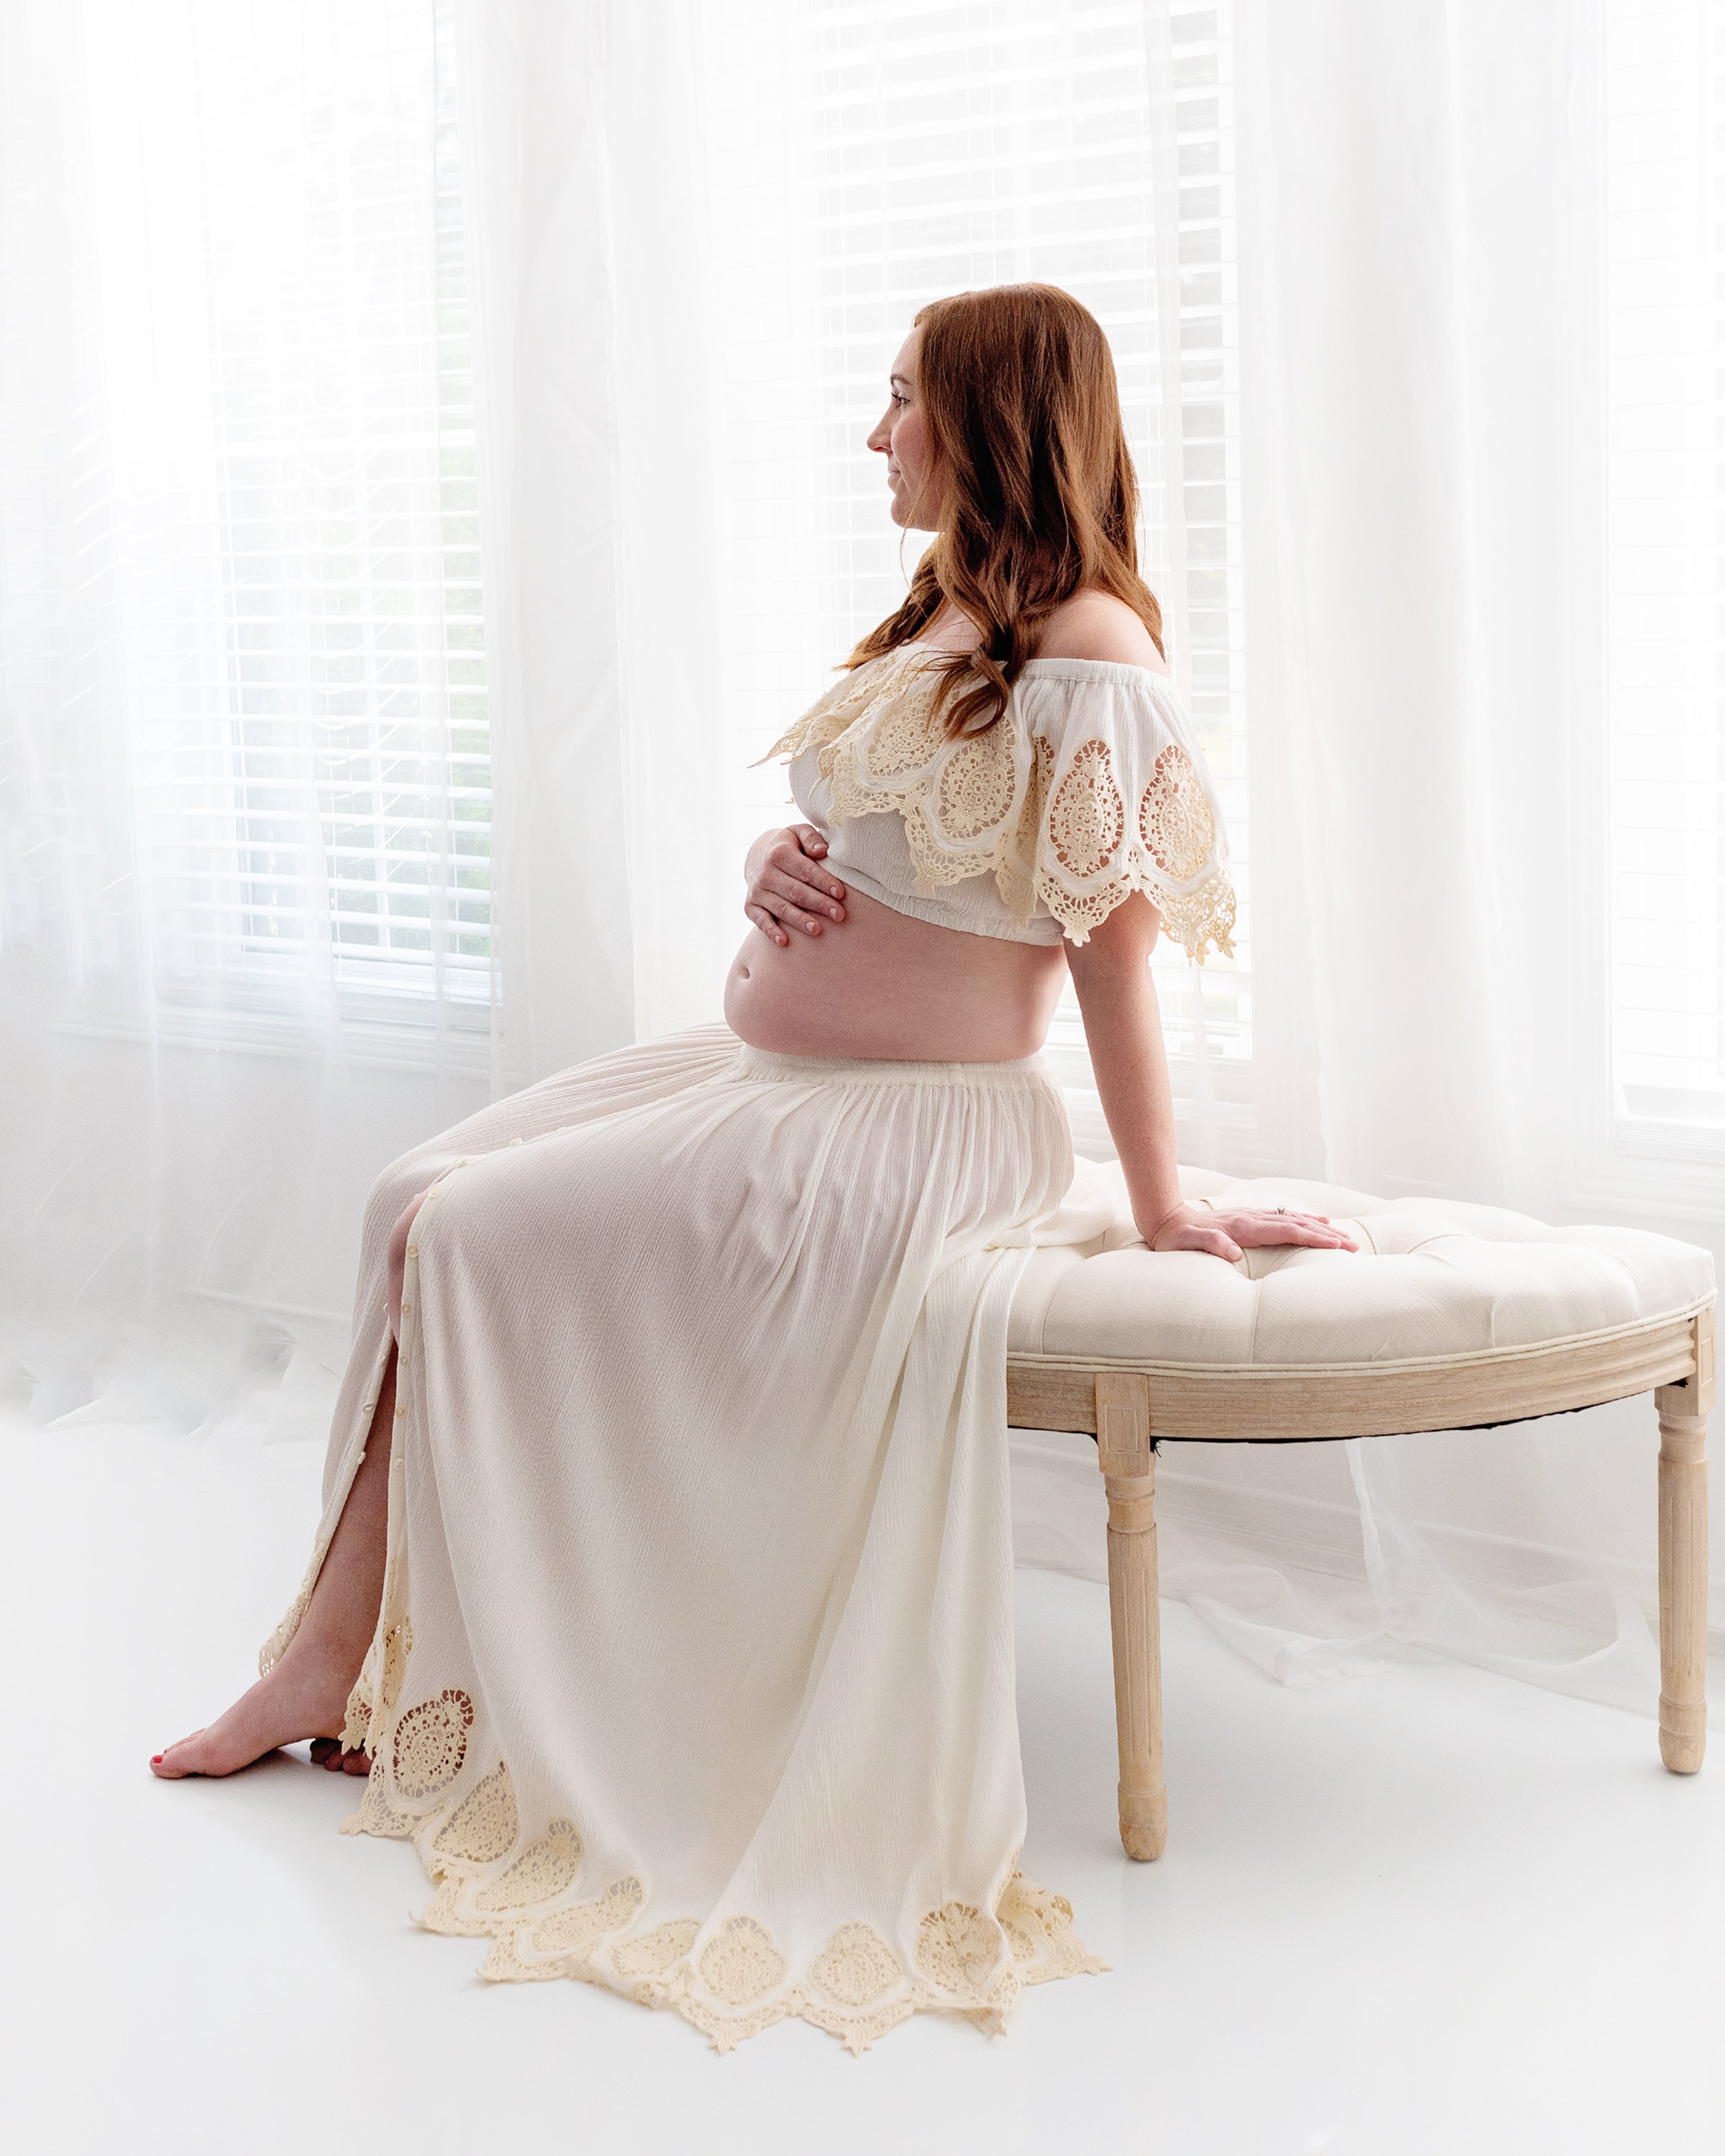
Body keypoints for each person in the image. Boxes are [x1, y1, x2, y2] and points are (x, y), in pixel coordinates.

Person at [150, 283, 1357, 2053]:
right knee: (408, 1193)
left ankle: (327, 1667)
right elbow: (894, 842)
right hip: (761, 1073)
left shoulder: (1094, 649)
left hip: (901, 1138)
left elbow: (1109, 942)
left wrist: (1168, 1200)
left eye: (898, 404)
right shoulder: (949, 609)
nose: (874, 436)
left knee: (467, 1235)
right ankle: (339, 1648)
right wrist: (774, 866)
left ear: (990, 418)